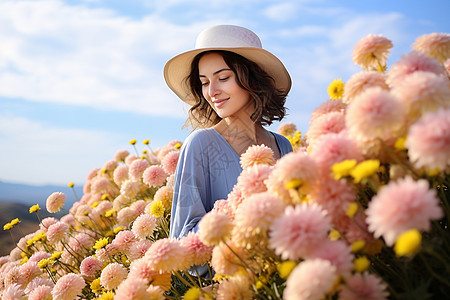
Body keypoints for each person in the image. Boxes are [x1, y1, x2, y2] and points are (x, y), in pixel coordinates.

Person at [164, 24, 293, 242]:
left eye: (223, 78)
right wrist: (242, 219)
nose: (212, 92)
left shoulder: (283, 145)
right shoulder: (201, 145)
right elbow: (182, 238)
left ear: (252, 78)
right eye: (204, 82)